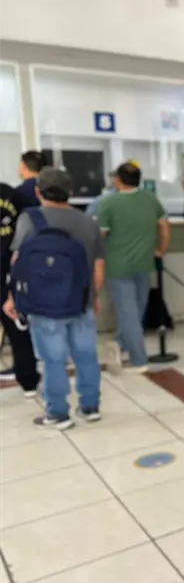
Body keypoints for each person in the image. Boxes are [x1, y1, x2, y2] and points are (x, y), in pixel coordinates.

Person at [3, 168, 105, 430]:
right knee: (86, 356)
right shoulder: (88, 222)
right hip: (81, 302)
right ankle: (90, 407)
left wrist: (12, 298)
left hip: (43, 305)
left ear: (38, 192)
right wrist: (93, 296)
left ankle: (58, 414)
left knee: (52, 360)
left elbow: (17, 264)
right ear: (70, 192)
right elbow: (98, 268)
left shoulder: (30, 219)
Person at [97, 161, 170, 374]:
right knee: (135, 312)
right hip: (144, 264)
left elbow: (101, 235)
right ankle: (120, 344)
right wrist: (161, 250)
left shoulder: (108, 204)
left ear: (118, 180)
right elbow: (165, 227)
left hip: (118, 267)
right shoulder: (151, 200)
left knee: (129, 314)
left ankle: (139, 360)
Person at [0, 182, 40, 395]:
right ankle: (29, 381)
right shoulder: (11, 193)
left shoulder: (12, 194)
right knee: (17, 325)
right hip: (10, 266)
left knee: (16, 324)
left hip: (9, 266)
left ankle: (28, 378)